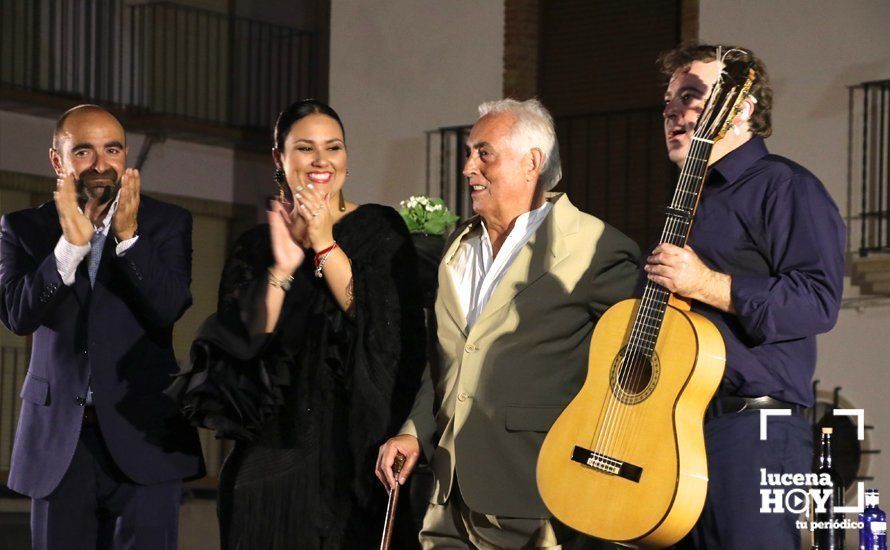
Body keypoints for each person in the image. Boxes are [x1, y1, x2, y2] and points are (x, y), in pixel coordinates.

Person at [376, 98, 640, 548]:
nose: (467, 168)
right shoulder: (457, 247)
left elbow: (631, 373)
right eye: (468, 153)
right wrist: (414, 430)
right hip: (446, 500)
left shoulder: (596, 247)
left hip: (534, 497)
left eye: (484, 153)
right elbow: (446, 361)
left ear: (532, 162)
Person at [176, 99, 425, 548]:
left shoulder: (379, 228)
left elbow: (382, 329)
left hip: (355, 462)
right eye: (305, 148)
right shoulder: (257, 244)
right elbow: (241, 344)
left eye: (334, 147)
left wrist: (323, 241)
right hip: (270, 468)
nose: (321, 161)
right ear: (280, 157)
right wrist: (284, 265)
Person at [648, 42, 845, 548]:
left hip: (751, 432)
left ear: (740, 108)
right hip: (673, 429)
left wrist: (706, 283)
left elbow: (818, 301)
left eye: (691, 96)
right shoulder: (690, 201)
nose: (673, 110)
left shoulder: (785, 187)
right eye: (669, 100)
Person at [0, 104, 204, 549]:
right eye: (84, 151)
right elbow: (18, 314)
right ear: (57, 160)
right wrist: (69, 250)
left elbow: (169, 307)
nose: (100, 163)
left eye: (112, 149)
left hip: (145, 435)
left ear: (125, 156)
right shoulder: (23, 228)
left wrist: (130, 239)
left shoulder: (168, 223)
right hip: (59, 442)